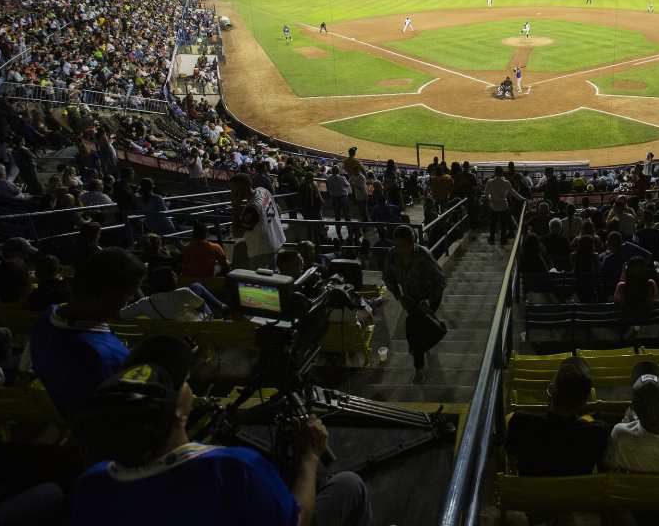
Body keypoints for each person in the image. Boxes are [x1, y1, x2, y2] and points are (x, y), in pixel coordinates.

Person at [71, 336, 371, 526]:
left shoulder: (90, 483)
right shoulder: (232, 468)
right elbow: (297, 520)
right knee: (349, 483)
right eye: (183, 384)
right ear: (179, 412)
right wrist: (308, 457)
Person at [30, 247, 146, 416]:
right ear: (111, 295)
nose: (130, 301)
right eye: (129, 295)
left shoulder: (45, 320)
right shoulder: (104, 356)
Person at [505, 357, 609, 475]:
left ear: (551, 391)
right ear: (584, 400)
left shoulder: (520, 422)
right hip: (576, 493)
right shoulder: (597, 433)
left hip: (531, 493)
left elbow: (509, 456)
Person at [383, 225, 446, 383]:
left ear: (412, 243)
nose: (400, 249)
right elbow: (387, 277)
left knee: (414, 328)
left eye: (404, 245)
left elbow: (440, 281)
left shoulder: (423, 255)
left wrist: (429, 300)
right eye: (397, 245)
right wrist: (398, 295)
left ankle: (419, 368)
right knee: (421, 328)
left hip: (429, 297)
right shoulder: (392, 255)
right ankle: (437, 329)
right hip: (410, 299)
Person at [229, 173, 285, 270]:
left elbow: (237, 233)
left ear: (241, 188)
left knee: (259, 283)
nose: (232, 193)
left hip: (261, 251)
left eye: (234, 189)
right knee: (271, 279)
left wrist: (236, 208)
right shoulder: (262, 190)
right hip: (275, 242)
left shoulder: (252, 209)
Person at [484, 166, 524, 244]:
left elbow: (486, 195)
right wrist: (523, 199)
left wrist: (491, 198)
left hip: (493, 206)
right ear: (502, 173)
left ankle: (492, 239)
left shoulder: (489, 182)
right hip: (504, 206)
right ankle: (503, 239)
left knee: (493, 223)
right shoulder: (506, 182)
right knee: (503, 224)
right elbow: (514, 194)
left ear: (495, 173)